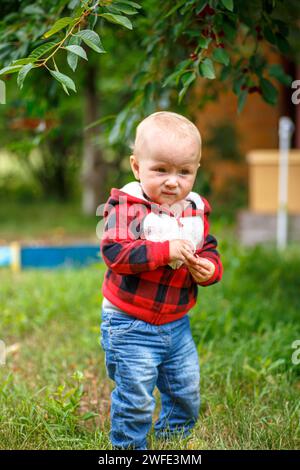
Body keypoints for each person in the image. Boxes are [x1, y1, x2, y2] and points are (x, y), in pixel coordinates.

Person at [99, 111, 223, 450]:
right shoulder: (129, 206)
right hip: (129, 323)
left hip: (176, 324)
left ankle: (173, 443)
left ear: (196, 171)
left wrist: (210, 269)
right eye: (161, 170)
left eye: (184, 172)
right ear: (137, 168)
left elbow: (208, 247)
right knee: (136, 398)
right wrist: (162, 251)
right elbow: (115, 251)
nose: (173, 181)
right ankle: (128, 449)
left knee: (185, 391)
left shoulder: (194, 209)